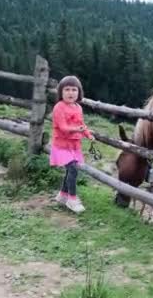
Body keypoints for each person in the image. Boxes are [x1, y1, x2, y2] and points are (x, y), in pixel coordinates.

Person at [49, 75, 94, 213]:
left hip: (74, 145)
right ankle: (72, 199)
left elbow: (81, 124)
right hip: (61, 145)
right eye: (67, 89)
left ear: (79, 92)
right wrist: (77, 129)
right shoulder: (59, 107)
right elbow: (62, 127)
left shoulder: (78, 108)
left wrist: (88, 134)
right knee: (73, 169)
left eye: (74, 90)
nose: (70, 93)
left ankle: (62, 196)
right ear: (61, 92)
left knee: (71, 170)